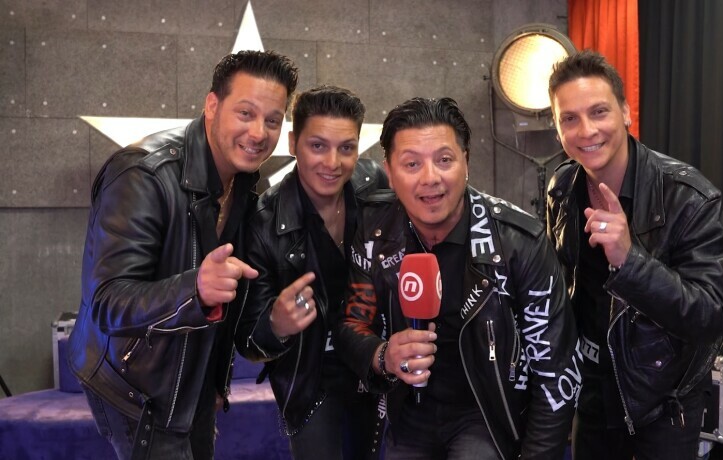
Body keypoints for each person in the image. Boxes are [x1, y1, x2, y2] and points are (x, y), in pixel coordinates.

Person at [67, 50, 299, 459]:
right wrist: (195, 289)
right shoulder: (143, 173)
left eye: (273, 120)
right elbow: (106, 302)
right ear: (212, 105)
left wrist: (271, 328)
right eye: (245, 113)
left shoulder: (245, 185)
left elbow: (232, 314)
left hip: (192, 385)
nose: (259, 132)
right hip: (134, 389)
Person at [335, 97, 581, 460]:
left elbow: (556, 373)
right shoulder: (375, 231)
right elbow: (350, 324)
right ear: (390, 170)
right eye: (412, 163)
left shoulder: (519, 242)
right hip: (407, 413)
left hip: (488, 416)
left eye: (444, 160)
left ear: (466, 161)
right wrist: (383, 355)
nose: (430, 178)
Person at [545, 49, 723, 460]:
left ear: (626, 112)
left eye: (599, 112)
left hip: (663, 402)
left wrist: (630, 261)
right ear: (558, 130)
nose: (586, 130)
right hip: (591, 392)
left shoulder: (688, 196)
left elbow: (711, 315)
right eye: (569, 119)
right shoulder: (561, 187)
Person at [235, 85, 389, 459]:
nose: (332, 162)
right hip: (311, 382)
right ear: (293, 143)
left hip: (375, 364)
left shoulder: (374, 185)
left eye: (346, 148)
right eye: (318, 146)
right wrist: (277, 324)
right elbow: (248, 340)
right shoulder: (263, 222)